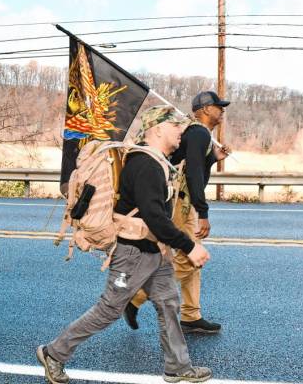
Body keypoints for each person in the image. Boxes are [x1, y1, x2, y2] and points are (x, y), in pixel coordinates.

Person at [37, 105, 212, 384]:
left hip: (155, 251)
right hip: (133, 254)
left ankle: (178, 367)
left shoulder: (157, 161)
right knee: (108, 310)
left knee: (168, 303)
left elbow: (158, 215)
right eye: (176, 126)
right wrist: (189, 246)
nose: (182, 131)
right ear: (157, 129)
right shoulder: (145, 165)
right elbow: (155, 218)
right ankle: (53, 353)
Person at [125, 91, 231, 334]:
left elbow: (190, 166)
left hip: (183, 202)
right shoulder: (200, 133)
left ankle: (191, 315)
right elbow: (193, 173)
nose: (222, 110)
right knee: (191, 257)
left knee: (192, 258)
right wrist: (203, 212)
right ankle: (136, 298)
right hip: (183, 205)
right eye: (218, 106)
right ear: (204, 110)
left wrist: (214, 158)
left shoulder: (196, 134)